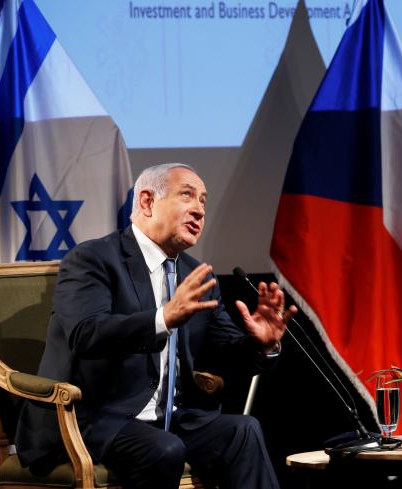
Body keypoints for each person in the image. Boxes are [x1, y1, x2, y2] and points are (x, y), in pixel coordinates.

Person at [16, 163, 296, 489]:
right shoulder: (92, 259)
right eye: (187, 196)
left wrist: (261, 344)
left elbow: (228, 354)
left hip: (172, 419)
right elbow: (86, 335)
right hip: (93, 418)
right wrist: (163, 318)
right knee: (164, 449)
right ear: (147, 202)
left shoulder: (196, 276)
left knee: (243, 431)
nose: (199, 211)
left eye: (204, 201)